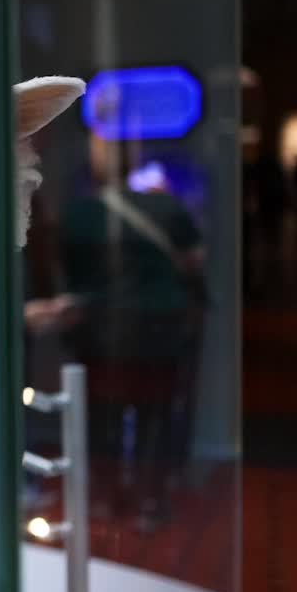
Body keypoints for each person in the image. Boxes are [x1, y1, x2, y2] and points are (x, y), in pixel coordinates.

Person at [57, 141, 207, 532]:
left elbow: (70, 275)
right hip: (159, 329)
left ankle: (105, 497)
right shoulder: (168, 207)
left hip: (99, 331)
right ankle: (149, 499)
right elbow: (194, 262)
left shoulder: (79, 213)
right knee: (154, 415)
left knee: (100, 416)